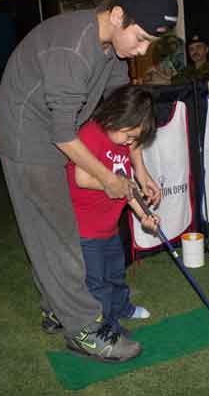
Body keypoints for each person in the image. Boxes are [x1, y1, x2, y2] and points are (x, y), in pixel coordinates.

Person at [0, 0, 177, 362]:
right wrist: (110, 178)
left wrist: (139, 170)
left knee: (56, 233)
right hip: (28, 136)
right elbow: (61, 134)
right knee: (61, 237)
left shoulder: (114, 53)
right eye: (141, 38)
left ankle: (54, 309)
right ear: (117, 16)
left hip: (58, 132)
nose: (143, 51)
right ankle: (83, 330)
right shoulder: (74, 50)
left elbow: (124, 119)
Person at [66, 85, 159, 341]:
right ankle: (106, 325)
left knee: (116, 273)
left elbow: (128, 187)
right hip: (87, 229)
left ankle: (122, 308)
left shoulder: (122, 141)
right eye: (129, 136)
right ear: (117, 116)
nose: (131, 144)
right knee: (97, 283)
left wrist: (144, 216)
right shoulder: (92, 134)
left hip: (109, 226)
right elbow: (82, 178)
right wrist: (114, 183)